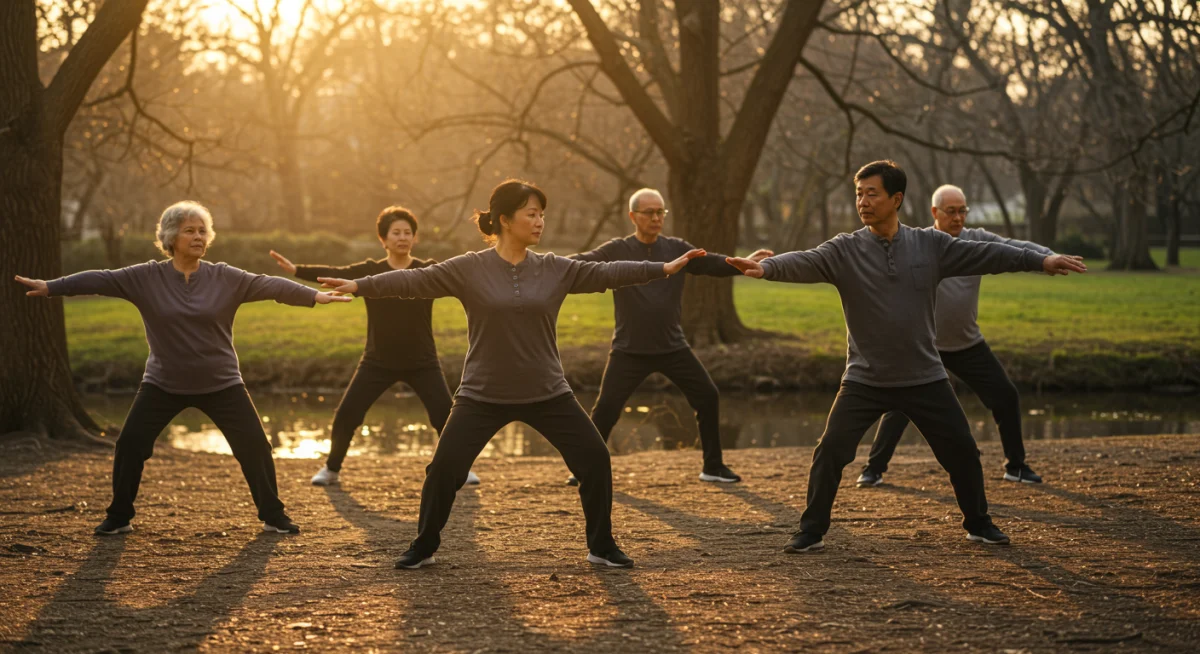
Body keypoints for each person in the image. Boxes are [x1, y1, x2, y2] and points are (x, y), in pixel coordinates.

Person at [320, 179, 704, 570]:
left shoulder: (554, 268)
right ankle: (424, 545)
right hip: (482, 394)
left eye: (542, 215)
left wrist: (662, 268)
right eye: (531, 214)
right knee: (444, 469)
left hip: (548, 392)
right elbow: (413, 280)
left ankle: (601, 546)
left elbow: (606, 272)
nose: (540, 222)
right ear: (505, 219)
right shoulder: (470, 268)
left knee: (595, 458)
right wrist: (360, 285)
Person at [725, 161, 1086, 553]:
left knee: (963, 450)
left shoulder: (931, 245)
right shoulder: (845, 249)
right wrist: (766, 267)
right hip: (865, 378)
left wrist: (1039, 260)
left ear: (896, 199)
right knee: (830, 451)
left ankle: (979, 524)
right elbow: (804, 260)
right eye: (859, 194)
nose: (863, 202)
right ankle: (811, 531)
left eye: (872, 194)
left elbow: (987, 254)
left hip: (924, 376)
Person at [15, 201, 351, 536]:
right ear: (170, 237)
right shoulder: (146, 277)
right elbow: (100, 280)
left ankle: (273, 515)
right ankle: (119, 517)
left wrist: (313, 296)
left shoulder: (224, 277)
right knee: (130, 444)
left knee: (255, 447)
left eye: (203, 231)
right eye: (189, 230)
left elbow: (271, 285)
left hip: (222, 382)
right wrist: (52, 286)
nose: (198, 236)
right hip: (163, 383)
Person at [564, 188, 772, 485]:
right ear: (633, 216)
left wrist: (741, 262)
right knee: (606, 408)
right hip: (629, 350)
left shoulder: (676, 248)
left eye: (660, 212)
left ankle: (713, 467)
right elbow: (580, 263)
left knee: (707, 395)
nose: (656, 218)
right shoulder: (617, 249)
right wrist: (544, 267)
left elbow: (710, 262)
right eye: (649, 212)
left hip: (672, 347)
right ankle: (585, 469)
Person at [268, 206, 480, 487]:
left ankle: (460, 469)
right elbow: (335, 273)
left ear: (414, 238)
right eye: (396, 233)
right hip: (377, 361)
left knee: (444, 416)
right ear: (383, 239)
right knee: (347, 414)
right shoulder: (370, 270)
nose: (402, 237)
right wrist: (297, 270)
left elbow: (458, 276)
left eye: (407, 232)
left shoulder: (426, 270)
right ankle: (331, 469)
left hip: (423, 361)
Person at [857, 185, 1052, 489]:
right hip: (924, 346)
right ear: (935, 212)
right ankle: (873, 469)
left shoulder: (977, 239)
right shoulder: (920, 243)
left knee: (1005, 395)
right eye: (951, 211)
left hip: (967, 343)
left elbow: (1013, 247)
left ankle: (1016, 466)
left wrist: (1050, 256)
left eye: (963, 211)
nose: (958, 217)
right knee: (900, 406)